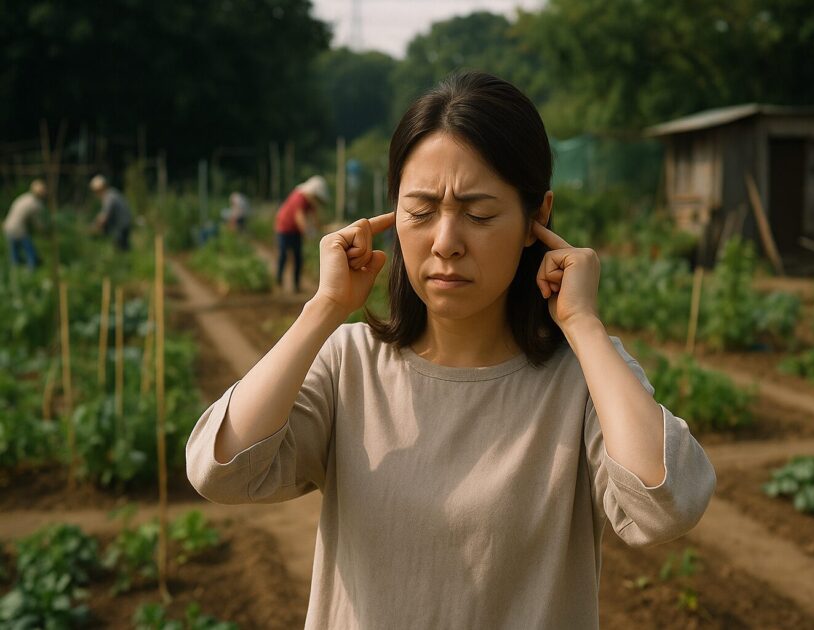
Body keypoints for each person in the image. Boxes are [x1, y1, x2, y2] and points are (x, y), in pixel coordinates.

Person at [186, 72, 715, 629]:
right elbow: (222, 470)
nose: (445, 242)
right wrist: (324, 307)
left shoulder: (581, 379)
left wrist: (583, 324)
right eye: (419, 211)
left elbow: (667, 503)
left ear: (537, 219)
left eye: (479, 214)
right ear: (390, 216)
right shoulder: (350, 364)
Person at [274, 175, 329, 292]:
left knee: (298, 257)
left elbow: (315, 217)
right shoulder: (299, 197)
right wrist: (308, 232)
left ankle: (296, 285)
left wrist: (320, 229)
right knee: (283, 254)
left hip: (295, 231)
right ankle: (278, 280)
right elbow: (300, 217)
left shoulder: (310, 202)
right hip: (284, 228)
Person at [3, 179, 46, 269]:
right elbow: (37, 222)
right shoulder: (36, 204)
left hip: (8, 226)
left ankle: (15, 273)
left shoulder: (25, 197)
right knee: (30, 251)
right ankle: (31, 270)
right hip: (18, 229)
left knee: (14, 253)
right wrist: (43, 231)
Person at [89, 174, 133, 251]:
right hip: (124, 223)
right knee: (124, 247)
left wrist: (94, 226)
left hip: (121, 225)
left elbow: (104, 216)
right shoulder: (112, 193)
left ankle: (123, 260)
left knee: (120, 247)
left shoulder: (109, 197)